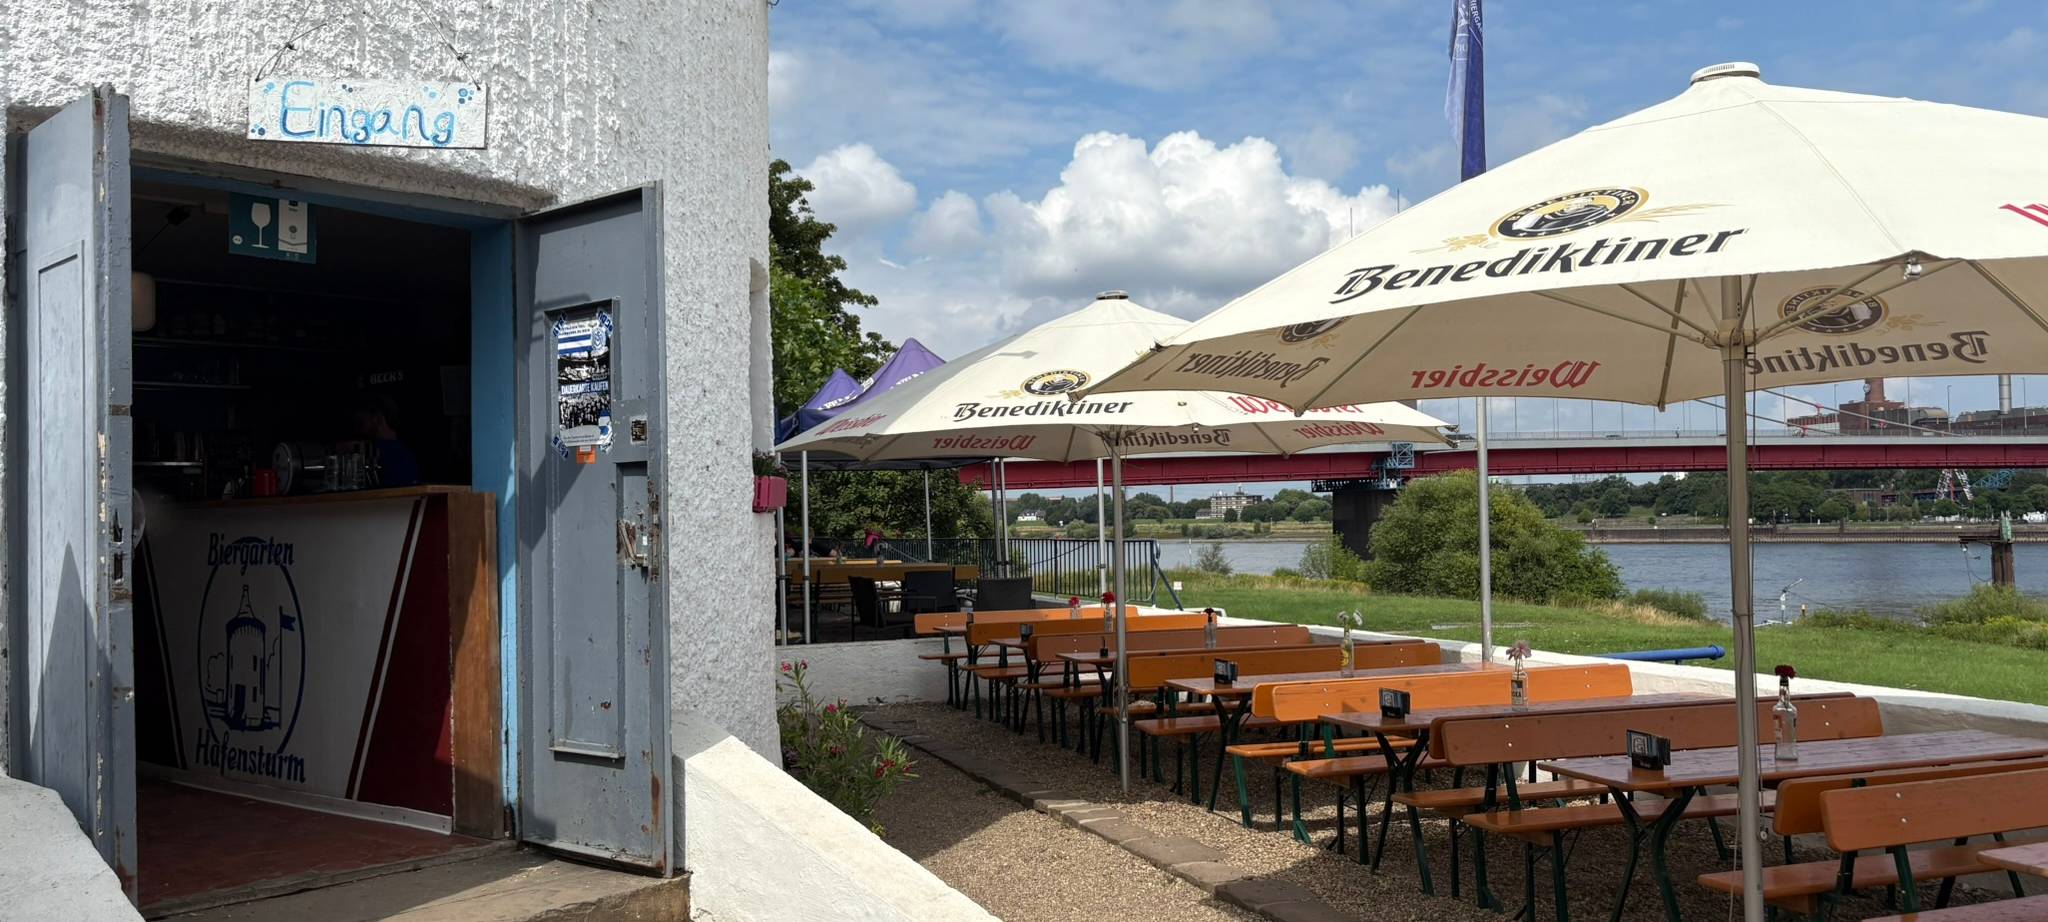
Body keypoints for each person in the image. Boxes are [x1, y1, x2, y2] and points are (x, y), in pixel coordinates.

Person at [352, 397, 421, 488]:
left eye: (361, 424)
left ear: (378, 419)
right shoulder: (406, 452)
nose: (359, 431)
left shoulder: (378, 451)